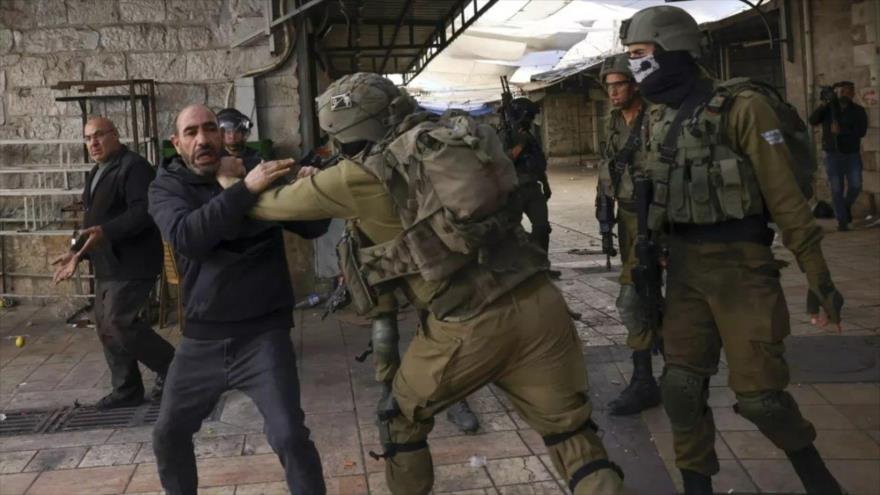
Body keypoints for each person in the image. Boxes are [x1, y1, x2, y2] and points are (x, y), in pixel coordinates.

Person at [217, 73, 623, 494]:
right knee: (570, 436)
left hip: (469, 322)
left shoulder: (357, 176)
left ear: (342, 131)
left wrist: (231, 182)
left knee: (400, 419)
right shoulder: (445, 140)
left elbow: (269, 206)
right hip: (540, 302)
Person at [620, 6, 845, 494]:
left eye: (640, 55)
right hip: (681, 272)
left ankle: (818, 478)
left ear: (671, 49)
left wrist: (819, 278)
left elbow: (787, 200)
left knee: (762, 398)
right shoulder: (656, 116)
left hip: (743, 269)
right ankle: (697, 487)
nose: (634, 67)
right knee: (681, 389)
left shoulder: (743, 106)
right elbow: (646, 195)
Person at [147, 105, 328, 495]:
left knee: (289, 437)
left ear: (222, 134)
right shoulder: (167, 187)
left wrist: (313, 192)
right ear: (176, 144)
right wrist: (244, 191)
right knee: (168, 434)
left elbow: (312, 227)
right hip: (201, 340)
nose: (202, 139)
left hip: (263, 333)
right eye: (191, 132)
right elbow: (189, 238)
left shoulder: (254, 169)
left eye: (209, 129)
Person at [52, 116, 174, 410]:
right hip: (107, 263)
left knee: (121, 322)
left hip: (134, 261)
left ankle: (175, 370)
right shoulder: (96, 171)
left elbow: (143, 212)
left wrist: (105, 232)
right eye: (87, 138)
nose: (92, 143)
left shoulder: (134, 167)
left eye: (98, 136)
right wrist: (75, 251)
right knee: (106, 327)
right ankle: (126, 389)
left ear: (115, 135)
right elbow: (92, 222)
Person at [596, 53, 662, 416]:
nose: (613, 93)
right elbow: (606, 164)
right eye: (609, 87)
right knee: (642, 292)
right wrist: (603, 209)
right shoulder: (612, 123)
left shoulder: (655, 118)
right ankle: (652, 374)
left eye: (619, 85)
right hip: (627, 219)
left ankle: (645, 380)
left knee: (632, 298)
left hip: (657, 218)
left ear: (635, 85)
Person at [503, 98, 560, 278]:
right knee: (512, 231)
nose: (531, 119)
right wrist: (520, 145)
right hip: (514, 190)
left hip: (534, 187)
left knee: (542, 227)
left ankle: (542, 266)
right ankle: (519, 268)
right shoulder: (506, 134)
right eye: (529, 116)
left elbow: (537, 162)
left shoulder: (530, 134)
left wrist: (546, 183)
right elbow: (503, 161)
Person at [808, 81, 868, 231]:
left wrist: (842, 131)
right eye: (840, 91)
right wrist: (823, 104)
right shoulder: (828, 110)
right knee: (836, 190)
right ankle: (842, 222)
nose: (843, 94)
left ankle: (845, 207)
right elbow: (812, 120)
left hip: (851, 154)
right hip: (833, 154)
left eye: (847, 91)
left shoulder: (858, 111)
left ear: (852, 93)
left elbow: (861, 131)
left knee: (856, 186)